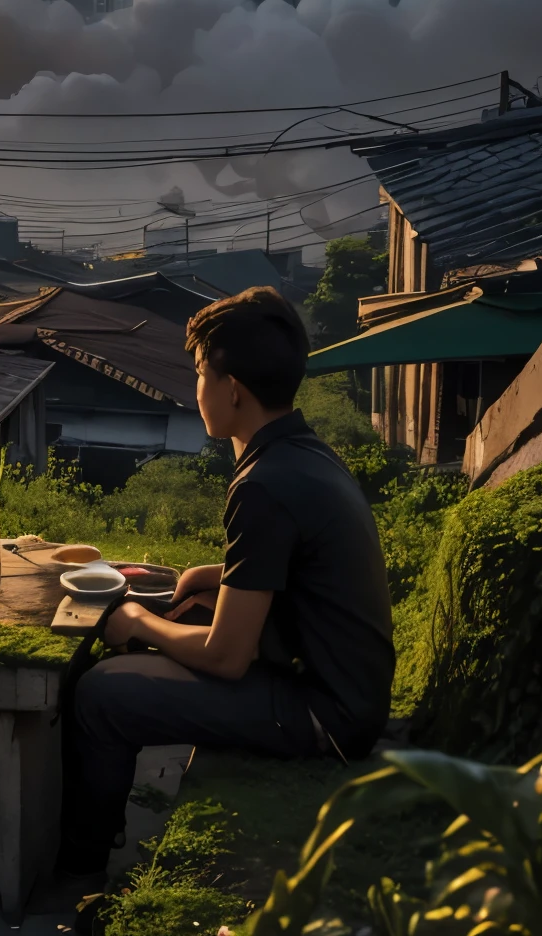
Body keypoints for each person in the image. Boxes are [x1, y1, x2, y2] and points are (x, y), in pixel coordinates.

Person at [58, 285, 394, 876]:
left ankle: (81, 873)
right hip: (345, 687)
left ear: (231, 389)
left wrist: (135, 619)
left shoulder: (263, 484)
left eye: (198, 373)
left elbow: (227, 657)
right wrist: (216, 574)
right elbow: (300, 565)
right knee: (177, 612)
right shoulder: (304, 453)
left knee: (102, 694)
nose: (196, 389)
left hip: (326, 715)